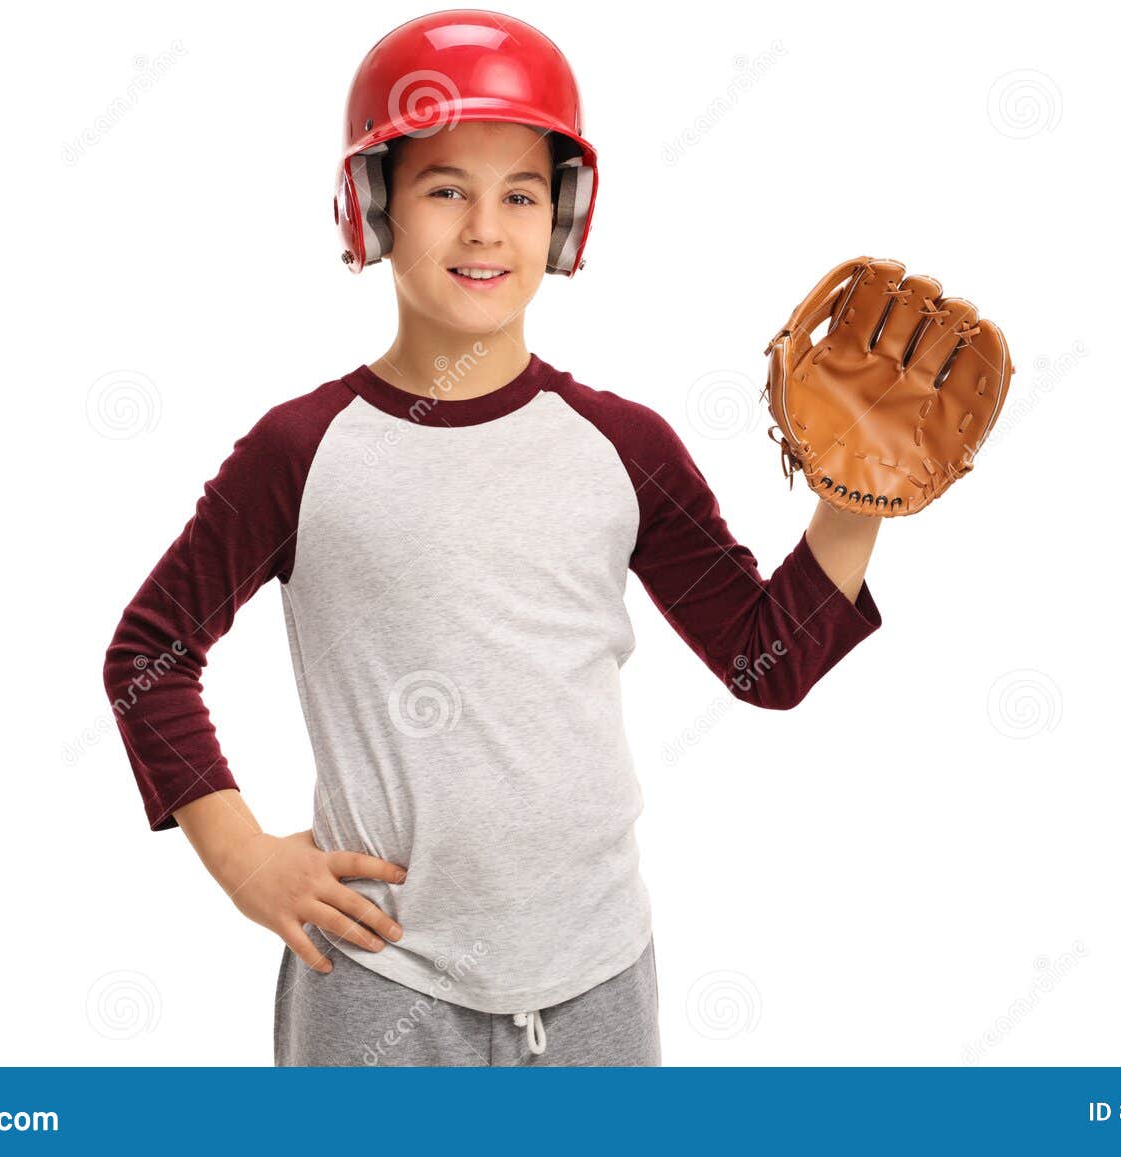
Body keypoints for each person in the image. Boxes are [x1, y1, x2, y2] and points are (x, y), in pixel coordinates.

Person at [101, 9, 883, 1067]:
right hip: (378, 981)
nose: (485, 228)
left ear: (562, 219)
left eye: (520, 194)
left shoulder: (624, 445)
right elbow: (147, 655)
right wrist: (241, 855)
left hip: (598, 974)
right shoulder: (302, 450)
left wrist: (852, 503)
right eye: (444, 190)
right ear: (374, 207)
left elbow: (767, 662)